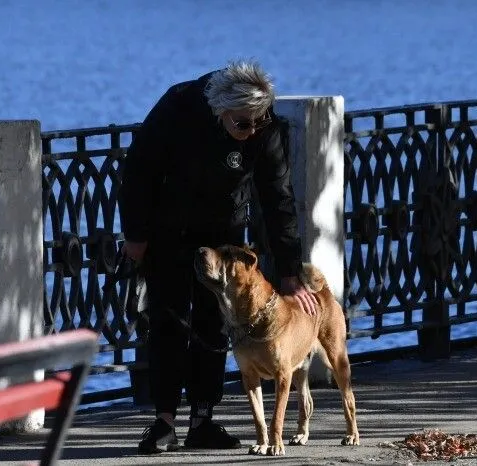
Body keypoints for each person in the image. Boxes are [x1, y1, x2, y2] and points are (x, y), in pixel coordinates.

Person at [119, 60, 318, 454]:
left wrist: (292, 272)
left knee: (216, 325)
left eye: (258, 122)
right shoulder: (179, 105)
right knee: (169, 319)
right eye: (242, 124)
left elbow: (278, 199)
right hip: (169, 231)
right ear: (219, 109)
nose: (251, 132)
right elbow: (138, 170)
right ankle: (163, 422)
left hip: (223, 235)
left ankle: (203, 419)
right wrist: (136, 235)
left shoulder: (263, 127)